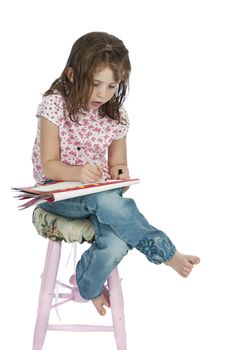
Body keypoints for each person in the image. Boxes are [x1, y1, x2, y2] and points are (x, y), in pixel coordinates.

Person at [32, 31, 200, 316]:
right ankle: (166, 253)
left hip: (99, 193)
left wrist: (121, 175)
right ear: (72, 74)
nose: (102, 94)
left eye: (112, 86)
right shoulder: (54, 105)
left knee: (117, 239)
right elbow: (49, 164)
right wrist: (78, 172)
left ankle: (89, 284)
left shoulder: (116, 116)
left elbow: (119, 165)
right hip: (58, 193)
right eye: (95, 84)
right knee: (106, 201)